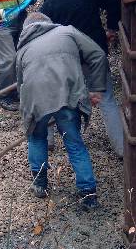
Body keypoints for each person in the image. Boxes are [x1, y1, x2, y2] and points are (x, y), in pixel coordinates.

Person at [16, 12, 107, 209]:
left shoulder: (23, 50)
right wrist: (96, 88)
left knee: (37, 138)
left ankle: (40, 185)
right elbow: (98, 55)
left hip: (36, 101)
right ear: (48, 23)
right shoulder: (68, 32)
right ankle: (88, 194)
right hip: (68, 98)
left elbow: (19, 87)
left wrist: (29, 116)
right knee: (74, 144)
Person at [36, 0, 124, 157]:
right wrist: (111, 28)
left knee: (53, 96)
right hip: (95, 56)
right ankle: (123, 150)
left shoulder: (47, 8)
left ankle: (49, 141)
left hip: (68, 60)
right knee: (107, 100)